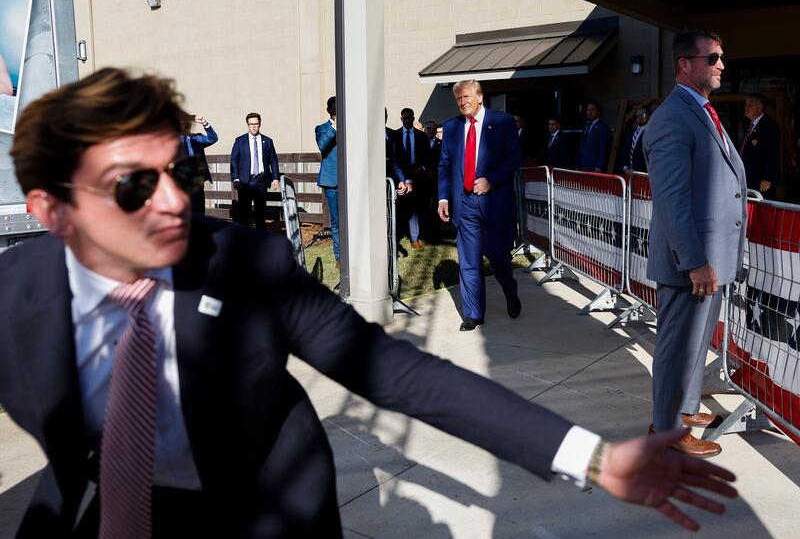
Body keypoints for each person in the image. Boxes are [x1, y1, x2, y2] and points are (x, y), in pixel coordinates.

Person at [1, 68, 738, 538]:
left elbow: (398, 373)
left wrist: (593, 457)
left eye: (182, 173)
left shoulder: (249, 266)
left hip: (271, 508)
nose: (173, 203)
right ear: (49, 209)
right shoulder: (14, 302)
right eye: (135, 185)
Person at [643, 30, 748, 457]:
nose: (722, 64)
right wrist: (695, 260)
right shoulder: (672, 117)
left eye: (722, 56)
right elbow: (672, 199)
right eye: (714, 57)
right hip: (692, 262)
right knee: (676, 349)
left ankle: (684, 409)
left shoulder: (700, 111)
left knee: (695, 345)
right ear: (685, 64)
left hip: (709, 259)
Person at [437, 80, 522, 331]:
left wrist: (491, 181)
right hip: (464, 205)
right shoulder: (452, 127)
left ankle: (511, 293)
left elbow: (514, 157)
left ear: (480, 97)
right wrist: (443, 198)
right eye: (458, 99)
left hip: (493, 202)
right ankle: (474, 314)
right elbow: (444, 166)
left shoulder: (503, 122)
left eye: (466, 97)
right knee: (469, 261)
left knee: (498, 258)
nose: (463, 102)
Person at [230, 112, 280, 229]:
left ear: (260, 124)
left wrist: (275, 178)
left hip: (261, 182)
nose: (253, 126)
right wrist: (235, 178)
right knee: (244, 214)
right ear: (247, 125)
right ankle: (245, 241)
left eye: (256, 124)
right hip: (245, 183)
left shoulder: (267, 141)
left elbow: (273, 160)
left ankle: (260, 242)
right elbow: (234, 161)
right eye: (251, 124)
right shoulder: (240, 141)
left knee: (260, 214)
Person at [392, 107, 430, 249]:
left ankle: (415, 239)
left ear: (413, 119)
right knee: (400, 209)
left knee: (416, 208)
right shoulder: (395, 135)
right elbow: (394, 160)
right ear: (401, 119)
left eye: (410, 118)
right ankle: (399, 237)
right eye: (405, 118)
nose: (407, 120)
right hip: (400, 178)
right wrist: (403, 178)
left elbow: (428, 157)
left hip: (418, 177)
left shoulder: (421, 136)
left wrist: (423, 168)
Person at [315, 96, 340, 266]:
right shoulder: (322, 128)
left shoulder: (350, 125)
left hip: (349, 179)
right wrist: (335, 127)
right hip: (331, 180)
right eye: (333, 107)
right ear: (328, 110)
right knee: (337, 220)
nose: (335, 109)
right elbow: (322, 146)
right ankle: (339, 256)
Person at [741, 94, 779, 200]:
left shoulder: (769, 126)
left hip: (761, 181)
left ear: (760, 107)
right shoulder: (749, 125)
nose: (746, 107)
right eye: (746, 104)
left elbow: (773, 153)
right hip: (749, 177)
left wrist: (768, 177)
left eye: (749, 105)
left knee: (763, 209)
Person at [180, 114, 218, 214]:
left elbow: (213, 138)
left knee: (199, 210)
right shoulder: (174, 140)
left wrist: (205, 124)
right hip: (182, 182)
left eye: (186, 124)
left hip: (197, 181)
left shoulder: (196, 138)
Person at [575, 101, 612, 172]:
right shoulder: (586, 127)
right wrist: (577, 164)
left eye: (593, 110)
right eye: (588, 110)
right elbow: (581, 147)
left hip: (594, 167)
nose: (590, 112)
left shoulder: (603, 127)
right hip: (582, 166)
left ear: (598, 112)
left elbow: (604, 148)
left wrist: (599, 166)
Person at [619, 105, 650, 174]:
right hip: (628, 173)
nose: (640, 117)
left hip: (643, 175)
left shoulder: (651, 133)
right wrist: (625, 168)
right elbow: (624, 151)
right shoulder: (631, 133)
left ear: (649, 116)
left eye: (643, 115)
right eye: (637, 116)